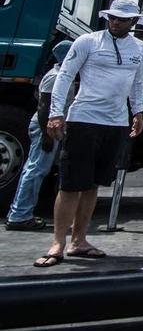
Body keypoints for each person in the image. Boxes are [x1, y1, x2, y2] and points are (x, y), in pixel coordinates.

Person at [35, 0, 143, 268]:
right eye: (112, 17)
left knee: (94, 184)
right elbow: (65, 76)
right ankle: (58, 243)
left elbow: (137, 80)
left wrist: (138, 111)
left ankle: (79, 241)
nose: (116, 22)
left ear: (133, 22)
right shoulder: (88, 41)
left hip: (116, 123)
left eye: (122, 19)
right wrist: (55, 112)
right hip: (84, 118)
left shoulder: (140, 48)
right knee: (71, 183)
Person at [5, 39, 74, 231]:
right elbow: (44, 107)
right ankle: (19, 215)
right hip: (46, 128)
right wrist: (46, 135)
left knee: (40, 169)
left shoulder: (64, 74)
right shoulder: (55, 76)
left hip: (53, 129)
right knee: (36, 169)